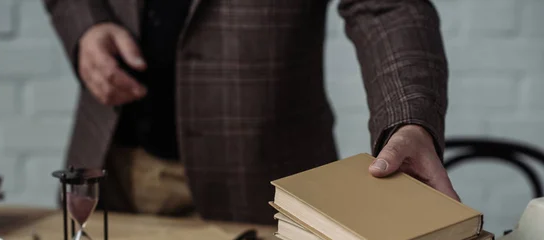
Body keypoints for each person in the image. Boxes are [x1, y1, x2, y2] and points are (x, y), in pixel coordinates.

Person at [43, 0, 459, 224]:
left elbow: (387, 6)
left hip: (261, 183)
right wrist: (85, 25)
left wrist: (409, 120)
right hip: (107, 167)